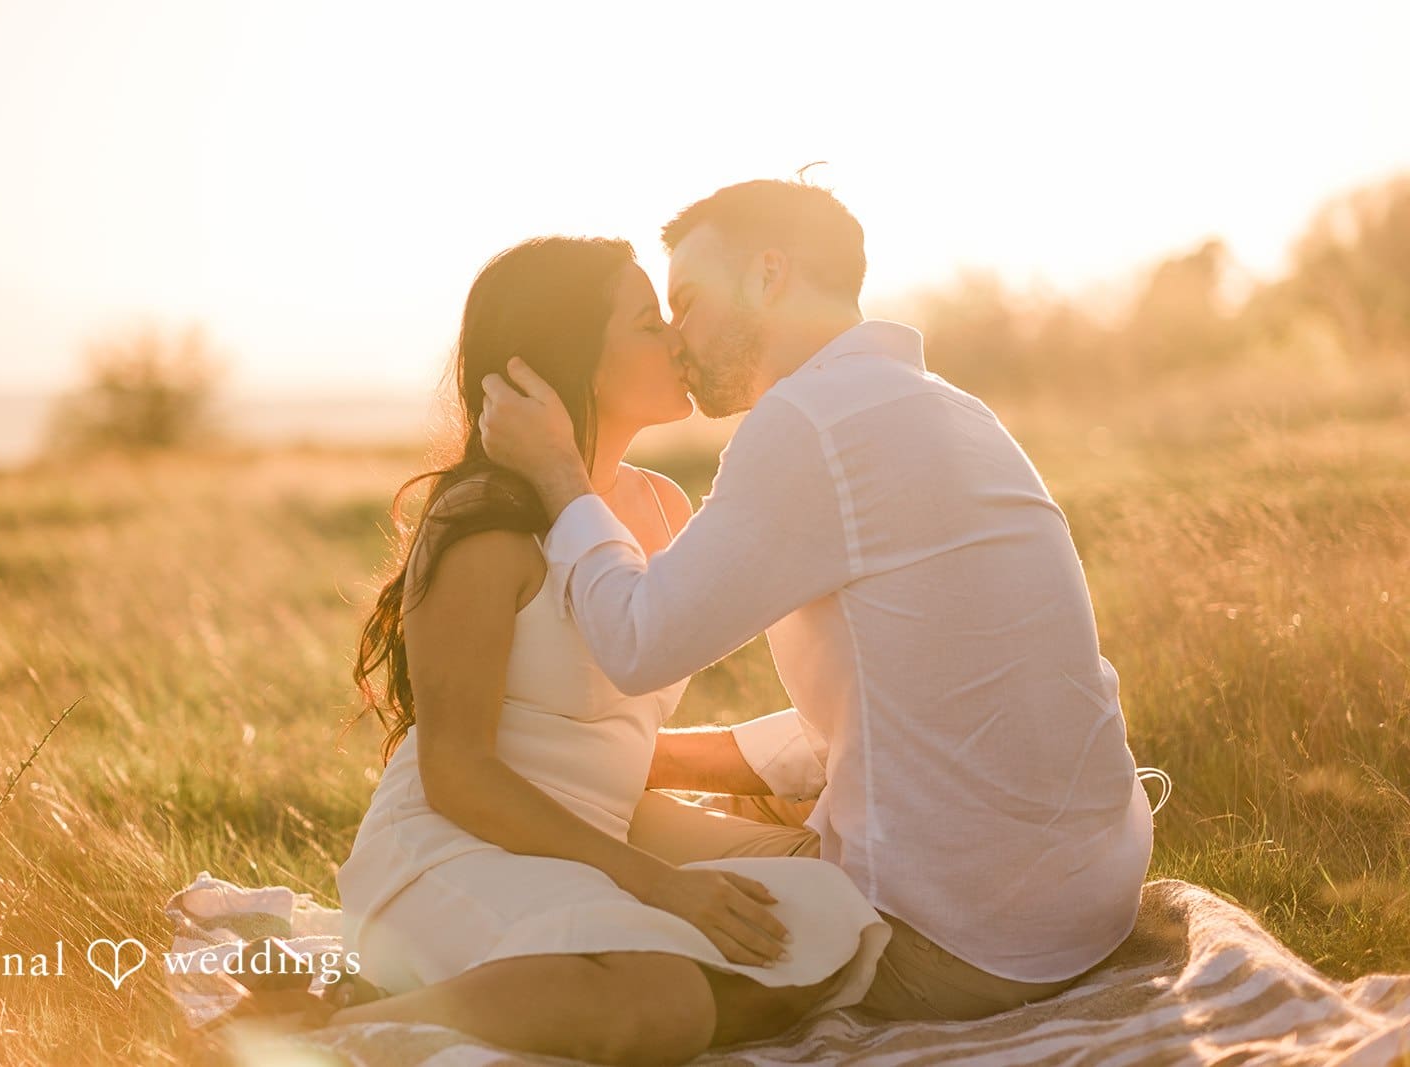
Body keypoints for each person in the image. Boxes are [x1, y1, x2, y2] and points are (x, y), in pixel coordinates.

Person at [478, 179, 1157, 1023]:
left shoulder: (809, 421)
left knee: (614, 833)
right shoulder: (949, 408)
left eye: (687, 303)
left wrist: (558, 474)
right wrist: (654, 755)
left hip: (956, 943)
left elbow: (637, 642)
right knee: (670, 802)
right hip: (1089, 906)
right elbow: (904, 702)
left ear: (768, 275)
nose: (676, 337)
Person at [326, 235, 891, 1065]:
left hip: (597, 841)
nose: (677, 338)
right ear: (579, 357)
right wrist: (658, 884)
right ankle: (338, 1032)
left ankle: (498, 999)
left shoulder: (662, 505)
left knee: (834, 928)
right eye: (647, 322)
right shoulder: (484, 520)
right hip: (455, 848)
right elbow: (455, 774)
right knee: (660, 1001)